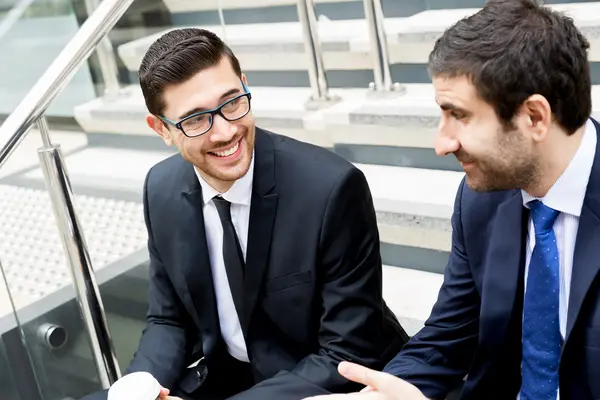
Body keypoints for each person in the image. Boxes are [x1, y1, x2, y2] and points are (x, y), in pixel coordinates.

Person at [81, 28, 408, 400]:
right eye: (195, 119)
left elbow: (346, 353)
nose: (225, 131)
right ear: (161, 129)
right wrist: (141, 388)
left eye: (232, 102)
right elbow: (168, 319)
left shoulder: (331, 188)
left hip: (326, 385)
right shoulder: (161, 189)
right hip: (229, 378)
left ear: (245, 85)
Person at [303, 0, 600, 399]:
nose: (441, 144)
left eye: (458, 115)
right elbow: (448, 334)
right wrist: (386, 393)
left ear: (534, 117)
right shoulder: (483, 199)